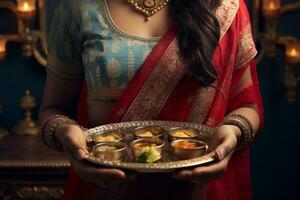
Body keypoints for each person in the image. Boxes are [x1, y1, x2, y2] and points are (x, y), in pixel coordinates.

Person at [39, 0, 264, 199]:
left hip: (197, 185)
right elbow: (53, 109)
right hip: (107, 185)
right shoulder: (78, 7)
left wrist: (233, 132)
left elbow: (246, 105)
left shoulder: (223, 6)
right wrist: (66, 135)